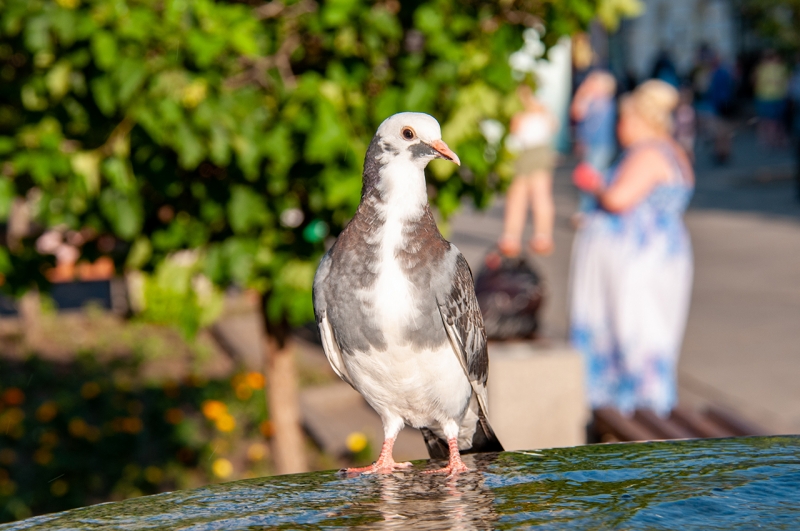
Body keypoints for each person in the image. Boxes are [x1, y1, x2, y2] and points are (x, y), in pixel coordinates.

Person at [569, 80, 694, 417]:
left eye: (622, 122)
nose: (619, 129)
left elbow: (619, 200)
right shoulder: (672, 149)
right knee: (647, 327)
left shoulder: (648, 153)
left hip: (636, 260)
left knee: (632, 328)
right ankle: (638, 404)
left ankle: (633, 407)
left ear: (638, 121)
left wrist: (594, 183)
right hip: (656, 255)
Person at [499, 85, 558, 256]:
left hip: (524, 152)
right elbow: (553, 126)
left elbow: (514, 130)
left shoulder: (519, 111)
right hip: (540, 150)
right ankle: (543, 235)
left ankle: (511, 237)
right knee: (541, 196)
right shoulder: (542, 107)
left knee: (518, 197)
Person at [571, 70, 617, 219]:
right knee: (592, 178)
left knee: (591, 179)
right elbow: (577, 114)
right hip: (594, 145)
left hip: (599, 146)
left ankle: (588, 211)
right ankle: (591, 210)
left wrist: (582, 94)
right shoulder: (593, 101)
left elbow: (578, 113)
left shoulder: (603, 102)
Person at [753, 50, 789, 148]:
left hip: (766, 97)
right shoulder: (780, 68)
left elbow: (755, 83)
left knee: (768, 121)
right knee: (775, 121)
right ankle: (774, 140)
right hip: (774, 97)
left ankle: (768, 141)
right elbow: (786, 83)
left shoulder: (760, 69)